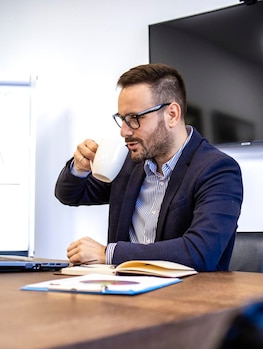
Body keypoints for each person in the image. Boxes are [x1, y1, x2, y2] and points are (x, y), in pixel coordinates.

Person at [55, 63, 243, 272]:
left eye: (135, 118)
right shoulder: (129, 163)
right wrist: (80, 168)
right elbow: (70, 195)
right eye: (122, 119)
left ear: (171, 114)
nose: (124, 131)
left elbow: (199, 251)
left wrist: (107, 253)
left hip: (187, 298)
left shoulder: (218, 170)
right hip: (124, 292)